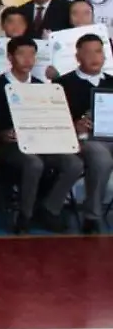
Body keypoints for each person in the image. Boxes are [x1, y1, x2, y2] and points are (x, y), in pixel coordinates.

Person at [0, 36, 84, 234]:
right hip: (11, 146)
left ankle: (50, 209)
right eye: (22, 54)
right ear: (10, 57)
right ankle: (25, 215)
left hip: (43, 141)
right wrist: (1, 133)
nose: (28, 59)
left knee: (74, 163)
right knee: (33, 163)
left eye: (32, 54)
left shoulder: (43, 86)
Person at [57, 33, 113, 234]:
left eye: (98, 51)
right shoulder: (62, 84)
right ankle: (93, 215)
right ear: (77, 56)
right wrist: (74, 125)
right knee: (101, 157)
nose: (94, 57)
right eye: (88, 52)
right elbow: (53, 121)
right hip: (83, 140)